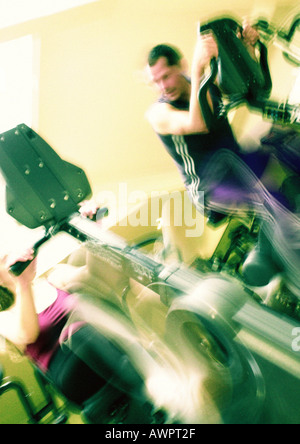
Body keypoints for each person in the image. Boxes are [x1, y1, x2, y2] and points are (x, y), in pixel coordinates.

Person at [0, 249, 154, 423]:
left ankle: (150, 383)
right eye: (4, 260)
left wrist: (93, 236)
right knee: (81, 334)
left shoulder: (54, 279)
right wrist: (23, 284)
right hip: (71, 372)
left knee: (90, 309)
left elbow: (93, 275)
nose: (11, 258)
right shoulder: (4, 318)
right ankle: (152, 380)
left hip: (103, 347)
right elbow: (26, 335)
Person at [145, 22, 264, 214]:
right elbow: (199, 123)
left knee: (285, 151)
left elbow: (247, 88)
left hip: (237, 164)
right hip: (209, 188)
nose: (162, 87)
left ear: (179, 66)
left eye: (166, 76)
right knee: (272, 199)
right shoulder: (158, 114)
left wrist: (247, 48)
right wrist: (197, 68)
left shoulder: (208, 84)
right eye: (156, 81)